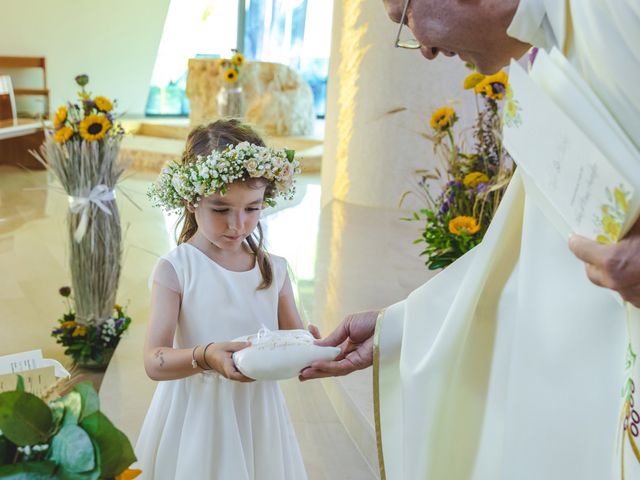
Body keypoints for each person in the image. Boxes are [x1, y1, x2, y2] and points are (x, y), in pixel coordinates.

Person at [301, 1, 640, 478]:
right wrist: (400, 327)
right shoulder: (543, 65)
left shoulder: (612, 14)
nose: (422, 49)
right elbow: (526, 252)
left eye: (405, 18)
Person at [135, 120, 308, 479]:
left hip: (258, 415)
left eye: (252, 208)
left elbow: (295, 346)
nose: (238, 224)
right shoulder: (177, 268)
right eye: (220, 209)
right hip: (196, 417)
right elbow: (155, 360)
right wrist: (206, 356)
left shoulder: (274, 270)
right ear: (190, 199)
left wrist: (310, 346)